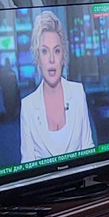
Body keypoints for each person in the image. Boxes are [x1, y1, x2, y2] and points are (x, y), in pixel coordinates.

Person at [16, 9, 94, 161]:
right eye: (45, 52)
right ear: (38, 58)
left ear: (63, 56)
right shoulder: (28, 106)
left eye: (56, 51)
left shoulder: (78, 93)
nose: (51, 59)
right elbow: (27, 163)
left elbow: (88, 148)